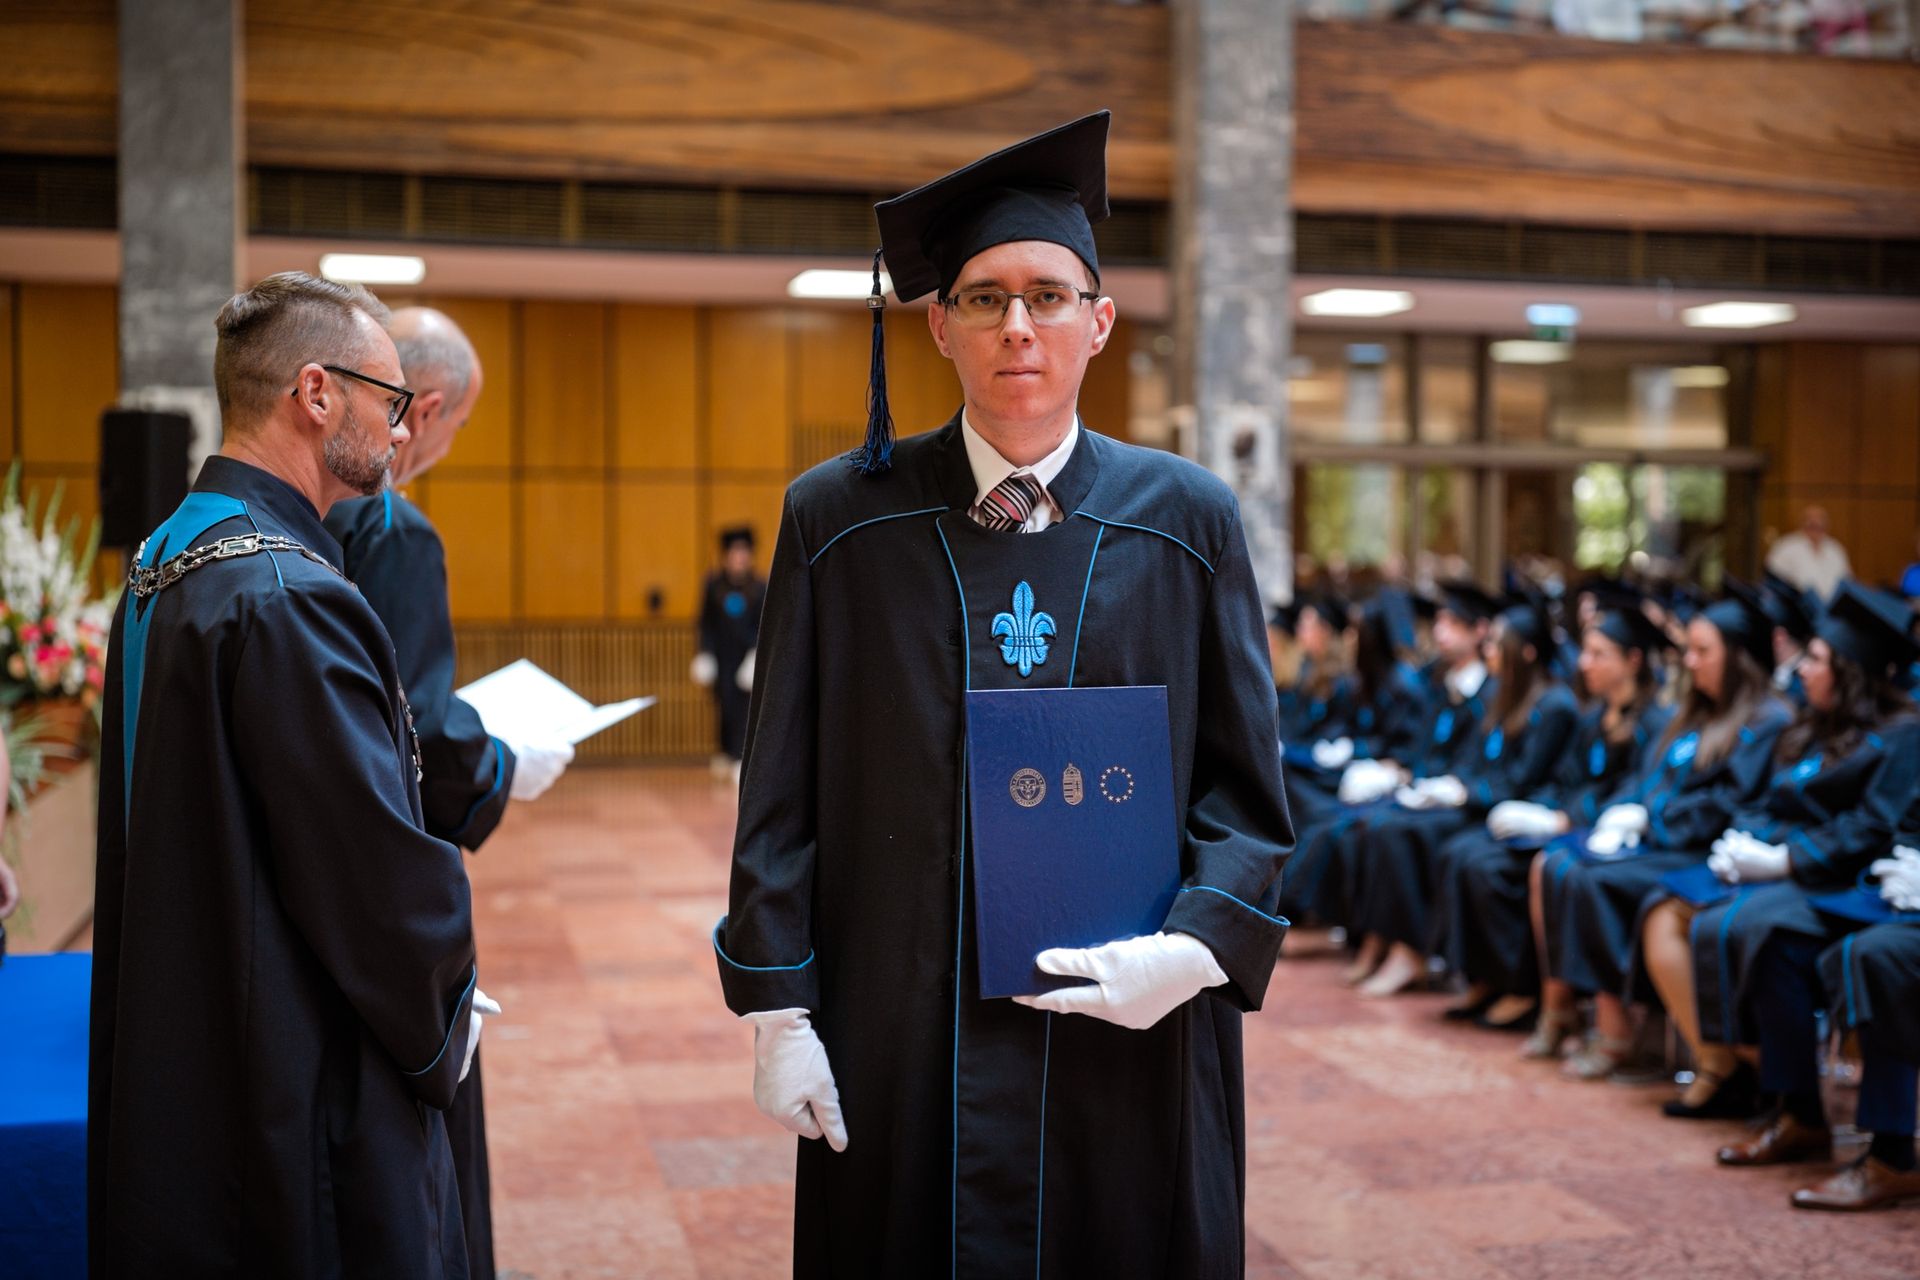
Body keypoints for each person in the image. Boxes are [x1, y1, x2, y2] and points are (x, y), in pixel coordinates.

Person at [712, 112, 1294, 1277]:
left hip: (1123, 1020)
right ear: (938, 324)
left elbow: (1247, 793)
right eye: (983, 298)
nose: (1016, 325)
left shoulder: (1187, 521)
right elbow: (779, 788)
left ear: (1098, 321)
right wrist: (777, 1011)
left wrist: (1193, 948)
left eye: (1047, 295)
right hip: (899, 1017)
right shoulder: (840, 520)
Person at [91, 272, 485, 1277]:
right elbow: (375, 880)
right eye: (389, 400)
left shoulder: (166, 557)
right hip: (295, 1077)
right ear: (315, 392)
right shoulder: (287, 595)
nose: (400, 429)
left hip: (188, 1032)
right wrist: (446, 990)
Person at [324, 305, 571, 1280]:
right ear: (423, 409)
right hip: (387, 892)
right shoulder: (392, 528)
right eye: (458, 425)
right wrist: (502, 762)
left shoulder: (295, 516)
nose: (447, 443)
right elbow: (414, 723)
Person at [1640, 581, 1918, 1120]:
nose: (1802, 670)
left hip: (1841, 877)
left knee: (1756, 930)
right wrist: (1748, 842)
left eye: (1816, 660)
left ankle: (1774, 1090)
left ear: (1850, 670)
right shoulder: (1814, 724)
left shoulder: (1902, 734)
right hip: (1791, 864)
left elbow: (1871, 825)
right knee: (1669, 907)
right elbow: (1771, 799)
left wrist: (1786, 859)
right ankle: (1736, 1070)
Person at [1539, 585, 1792, 1083]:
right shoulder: (1695, 713)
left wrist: (1651, 819)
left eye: (1702, 651)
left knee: (1593, 879)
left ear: (1738, 656)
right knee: (1568, 864)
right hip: (1665, 839)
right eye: (1688, 650)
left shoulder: (1768, 720)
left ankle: (1621, 1030)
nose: (1689, 662)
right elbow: (1648, 779)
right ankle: (1602, 1021)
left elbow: (1727, 804)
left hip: (1701, 850)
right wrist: (1628, 811)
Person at [1440, 603, 1675, 1044]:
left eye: (1598, 654)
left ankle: (1546, 999)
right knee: (1470, 851)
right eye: (1585, 652)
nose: (1584, 663)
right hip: (1575, 823)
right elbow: (1565, 778)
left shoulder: (1655, 722)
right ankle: (1503, 984)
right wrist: (1544, 810)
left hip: (1613, 833)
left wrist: (1566, 816)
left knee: (1541, 867)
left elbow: (1636, 789)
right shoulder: (1594, 717)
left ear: (1633, 660)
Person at [1347, 596, 1580, 1001]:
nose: (1490, 652)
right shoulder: (1506, 696)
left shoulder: (1554, 705)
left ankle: (1469, 971)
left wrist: (1465, 793)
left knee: (1437, 845)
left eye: (1498, 645)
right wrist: (1445, 786)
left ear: (1526, 651)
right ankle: (1429, 957)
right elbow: (1476, 761)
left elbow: (1523, 779)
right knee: (1387, 824)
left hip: (1506, 810)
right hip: (1483, 801)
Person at [691, 525, 766, 770]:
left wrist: (757, 654)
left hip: (748, 658)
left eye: (744, 551)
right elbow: (706, 622)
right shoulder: (713, 586)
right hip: (723, 656)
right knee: (725, 703)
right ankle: (725, 751)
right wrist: (704, 653)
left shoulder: (760, 588)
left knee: (746, 708)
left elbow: (765, 624)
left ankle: (740, 756)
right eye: (735, 552)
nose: (739, 557)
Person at [1766, 505, 1853, 602]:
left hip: (1832, 605)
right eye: (1812, 525)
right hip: (1797, 605)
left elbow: (1847, 581)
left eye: (1820, 524)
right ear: (1802, 524)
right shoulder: (1785, 546)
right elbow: (1773, 581)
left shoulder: (1836, 549)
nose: (1816, 528)